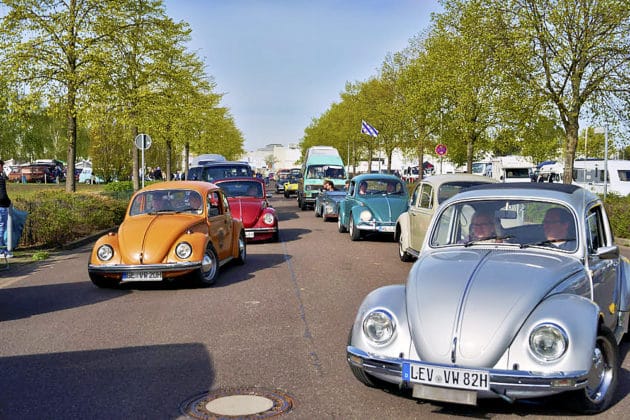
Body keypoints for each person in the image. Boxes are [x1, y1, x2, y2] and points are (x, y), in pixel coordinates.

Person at [0, 160, 12, 258]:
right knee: (1, 228)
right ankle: (1, 251)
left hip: (3, 205)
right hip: (2, 206)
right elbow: (2, 194)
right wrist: (8, 202)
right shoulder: (1, 178)